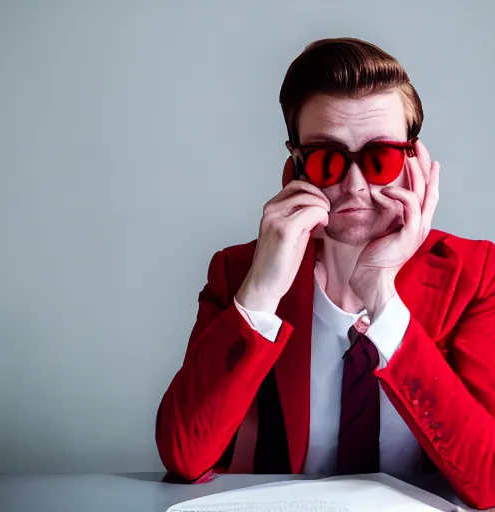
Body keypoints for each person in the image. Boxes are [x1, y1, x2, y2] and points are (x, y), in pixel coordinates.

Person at [155, 37, 495, 510]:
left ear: (414, 164)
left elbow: (489, 480)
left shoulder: (475, 274)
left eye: (380, 159)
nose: (354, 186)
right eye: (327, 160)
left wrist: (383, 298)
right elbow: (184, 457)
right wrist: (259, 295)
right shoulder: (238, 272)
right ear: (294, 166)